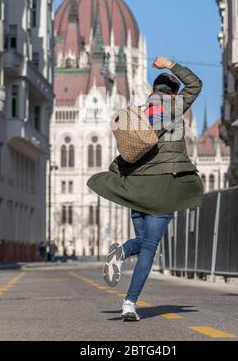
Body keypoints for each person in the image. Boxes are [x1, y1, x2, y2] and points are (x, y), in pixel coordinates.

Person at [87, 56, 204, 321]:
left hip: (136, 188)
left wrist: (116, 172)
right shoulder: (175, 107)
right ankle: (129, 302)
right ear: (173, 93)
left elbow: (127, 152)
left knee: (143, 241)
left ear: (152, 92)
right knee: (150, 247)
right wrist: (170, 65)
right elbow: (195, 85)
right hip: (163, 187)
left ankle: (122, 251)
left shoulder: (137, 113)